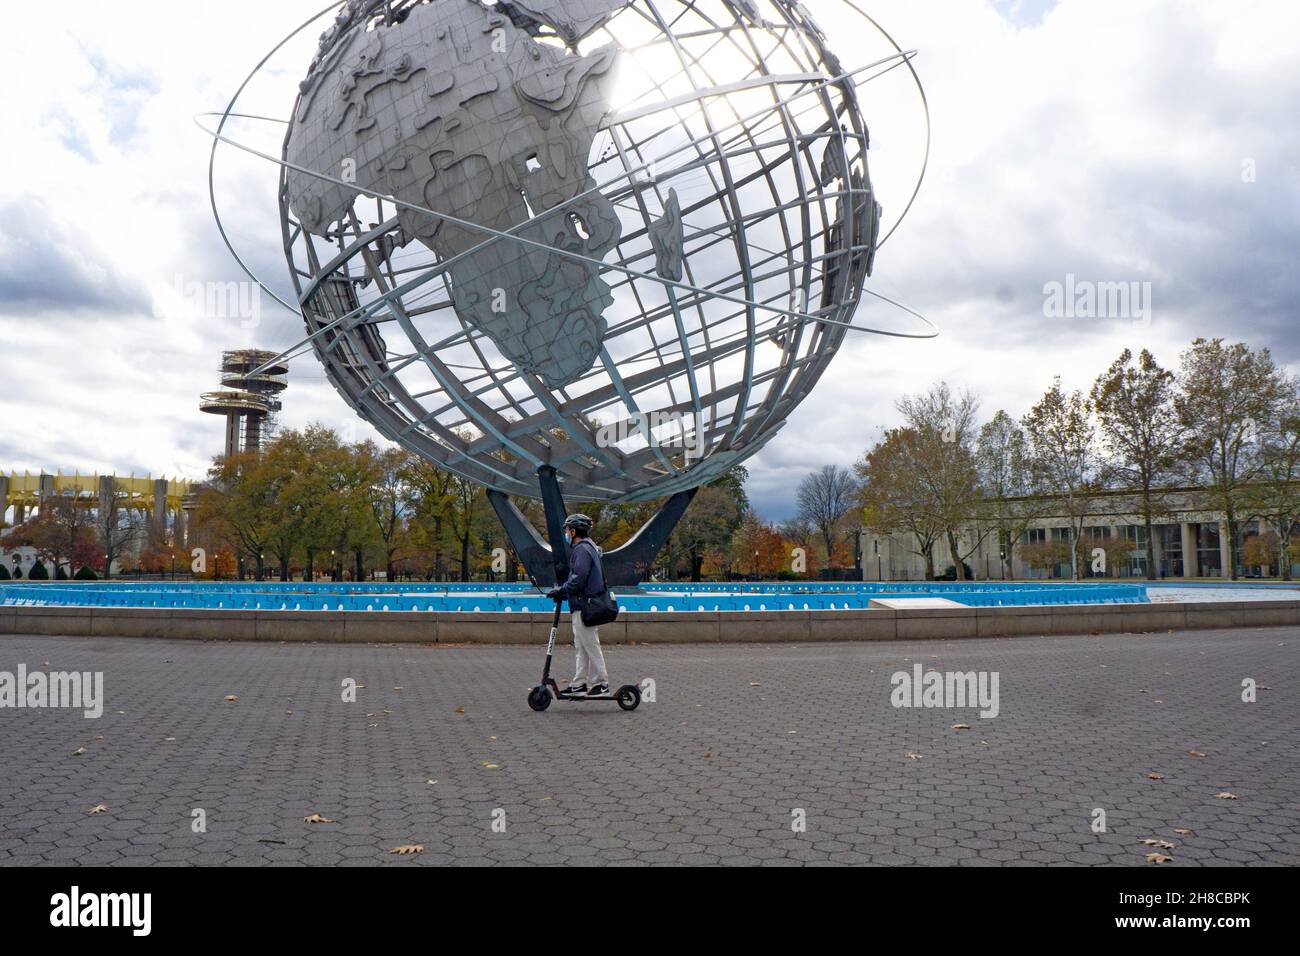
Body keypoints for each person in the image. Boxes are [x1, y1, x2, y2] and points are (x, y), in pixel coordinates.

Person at [546, 513, 609, 697]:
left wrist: (561, 590)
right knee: (581, 646)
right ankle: (579, 684)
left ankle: (602, 683)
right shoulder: (590, 548)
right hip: (583, 604)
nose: (566, 533)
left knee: (590, 644)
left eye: (567, 530)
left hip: (583, 606)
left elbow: (578, 579)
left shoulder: (582, 550)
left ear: (573, 531)